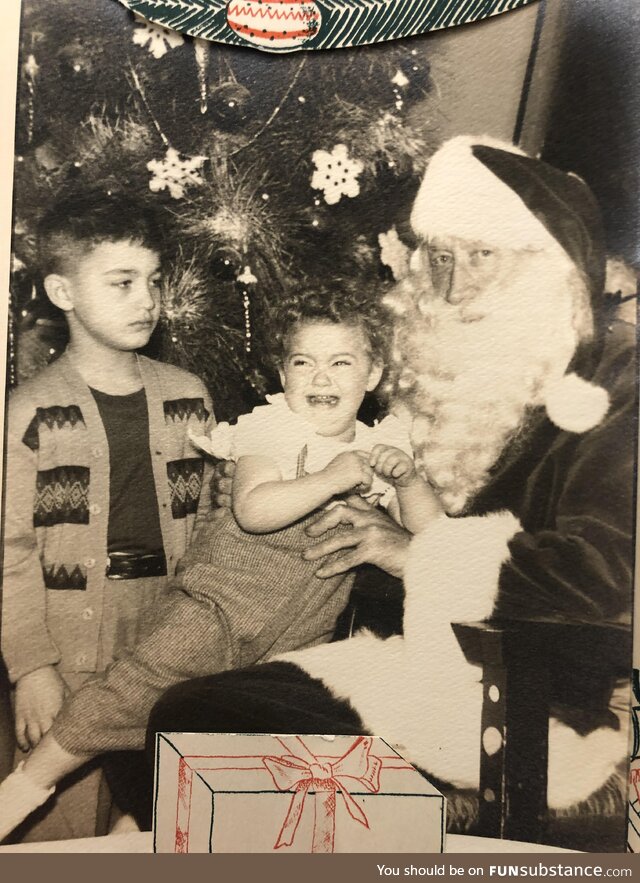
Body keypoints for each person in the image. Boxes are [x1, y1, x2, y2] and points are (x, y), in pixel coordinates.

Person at [147, 136, 635, 817]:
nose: (455, 286)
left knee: (224, 734)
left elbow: (607, 576)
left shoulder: (617, 381)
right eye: (440, 256)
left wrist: (413, 553)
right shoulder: (448, 367)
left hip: (528, 695)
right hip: (414, 662)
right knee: (188, 712)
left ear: (541, 264)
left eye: (482, 255)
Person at [0, 285, 441, 840]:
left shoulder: (379, 446)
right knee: (132, 691)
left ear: (373, 375)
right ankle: (24, 788)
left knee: (217, 743)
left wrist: (409, 480)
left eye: (340, 363)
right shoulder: (272, 430)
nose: (320, 378)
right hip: (217, 607)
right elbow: (256, 510)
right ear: (284, 376)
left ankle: (139, 836)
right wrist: (332, 477)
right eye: (303, 362)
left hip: (300, 633)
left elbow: (433, 538)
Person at [0, 192, 214, 841]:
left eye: (151, 281)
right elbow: (8, 549)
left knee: (163, 803)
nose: (145, 299)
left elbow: (208, 521)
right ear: (62, 289)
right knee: (63, 811)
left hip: (170, 624)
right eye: (121, 282)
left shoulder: (187, 395)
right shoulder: (28, 413)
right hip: (69, 637)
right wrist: (33, 665)